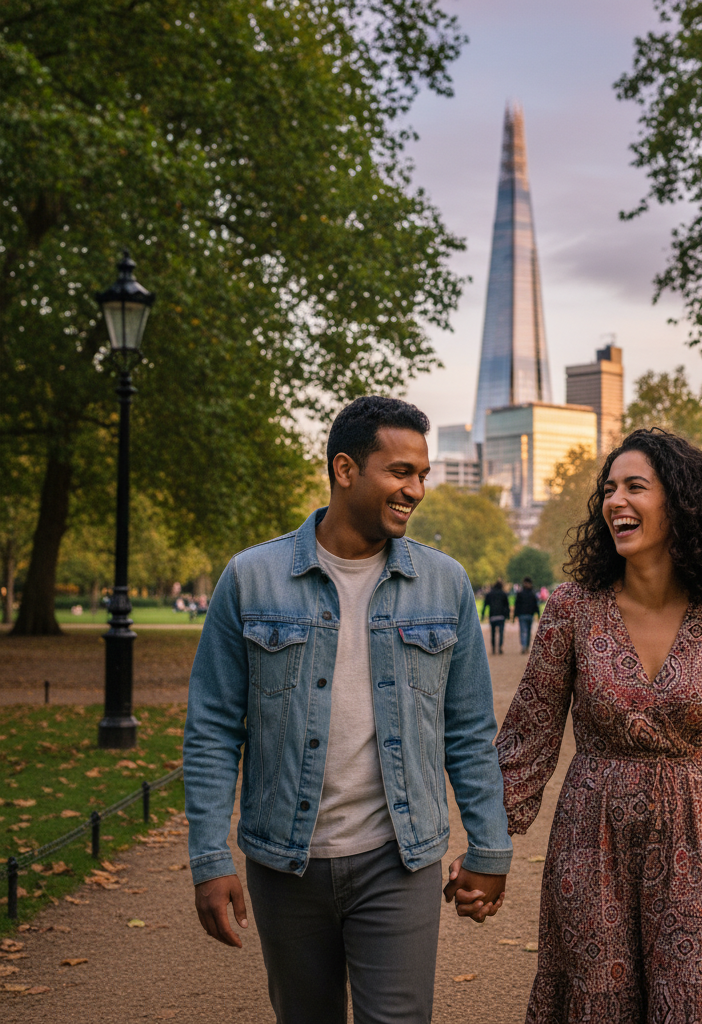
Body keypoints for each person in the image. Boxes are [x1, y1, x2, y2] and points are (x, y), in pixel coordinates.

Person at [184, 396, 511, 1024]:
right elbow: (212, 731)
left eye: (423, 475)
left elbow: (468, 731)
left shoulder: (445, 584)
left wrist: (490, 850)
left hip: (401, 858)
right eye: (400, 472)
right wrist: (209, 857)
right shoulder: (252, 578)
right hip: (285, 861)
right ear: (344, 470)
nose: (416, 489)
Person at [492, 428, 702, 1023]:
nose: (616, 502)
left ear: (680, 503)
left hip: (700, 838)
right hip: (591, 840)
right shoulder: (572, 609)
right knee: (597, 1004)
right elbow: (527, 739)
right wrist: (489, 850)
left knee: (696, 999)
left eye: (636, 487)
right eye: (609, 490)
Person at [481, 579, 510, 654]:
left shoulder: (490, 594)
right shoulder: (503, 594)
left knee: (493, 633)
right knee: (501, 633)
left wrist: (483, 615)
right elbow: (506, 606)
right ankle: (500, 647)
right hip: (501, 616)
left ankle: (493, 648)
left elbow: (485, 605)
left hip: (493, 615)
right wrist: (508, 615)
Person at [513, 576, 541, 653]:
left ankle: (525, 645)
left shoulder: (521, 593)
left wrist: (515, 615)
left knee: (525, 631)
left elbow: (517, 605)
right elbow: (535, 605)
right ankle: (525, 646)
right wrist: (538, 614)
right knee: (526, 631)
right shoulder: (532, 594)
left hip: (525, 614)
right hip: (527, 614)